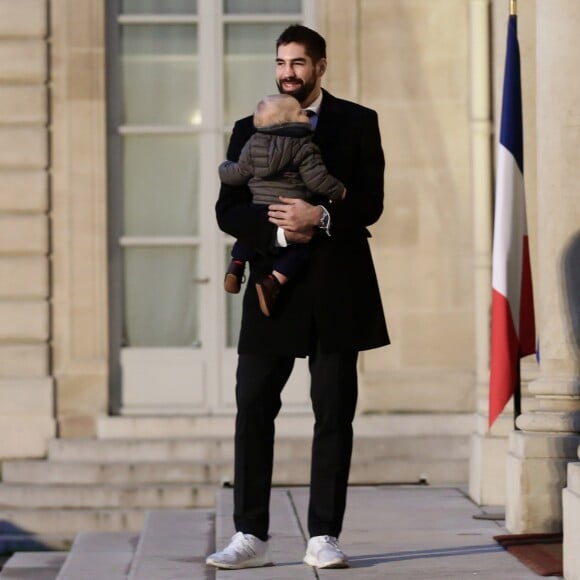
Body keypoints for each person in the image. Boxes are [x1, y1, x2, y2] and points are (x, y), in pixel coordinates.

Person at [206, 24, 389, 570]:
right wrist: (282, 232)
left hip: (338, 290)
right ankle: (250, 535)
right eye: (281, 62)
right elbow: (228, 209)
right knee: (253, 410)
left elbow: (371, 203)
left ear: (321, 66)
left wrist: (322, 216)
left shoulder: (358, 122)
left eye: (299, 63)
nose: (288, 72)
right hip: (270, 291)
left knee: (334, 414)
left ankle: (323, 536)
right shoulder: (249, 125)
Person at [219, 92, 346, 317]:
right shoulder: (304, 146)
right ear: (288, 121)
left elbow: (240, 172)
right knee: (302, 248)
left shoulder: (254, 142)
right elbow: (317, 180)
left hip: (260, 208)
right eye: (299, 112)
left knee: (249, 236)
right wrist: (339, 191)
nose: (305, 114)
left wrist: (224, 168)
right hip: (288, 209)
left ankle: (237, 263)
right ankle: (273, 281)